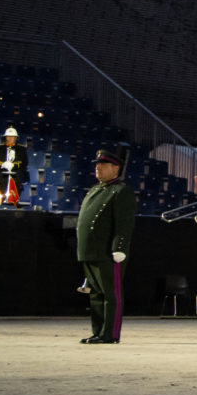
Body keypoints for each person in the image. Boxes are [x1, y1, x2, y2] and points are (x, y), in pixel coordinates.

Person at [75, 146, 137, 344]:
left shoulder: (121, 191)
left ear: (115, 168)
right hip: (91, 250)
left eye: (103, 164)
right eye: (97, 165)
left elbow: (124, 223)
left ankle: (110, 333)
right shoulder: (96, 190)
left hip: (107, 251)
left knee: (111, 294)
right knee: (95, 294)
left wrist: (119, 247)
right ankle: (98, 331)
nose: (98, 168)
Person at [0, 127, 28, 205]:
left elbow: (24, 161)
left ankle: (13, 207)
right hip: (2, 175)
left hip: (16, 175)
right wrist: (3, 164)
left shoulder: (21, 149)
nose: (10, 138)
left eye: (12, 136)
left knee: (14, 195)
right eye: (8, 136)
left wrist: (13, 165)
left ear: (16, 137)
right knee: (3, 194)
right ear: (5, 137)